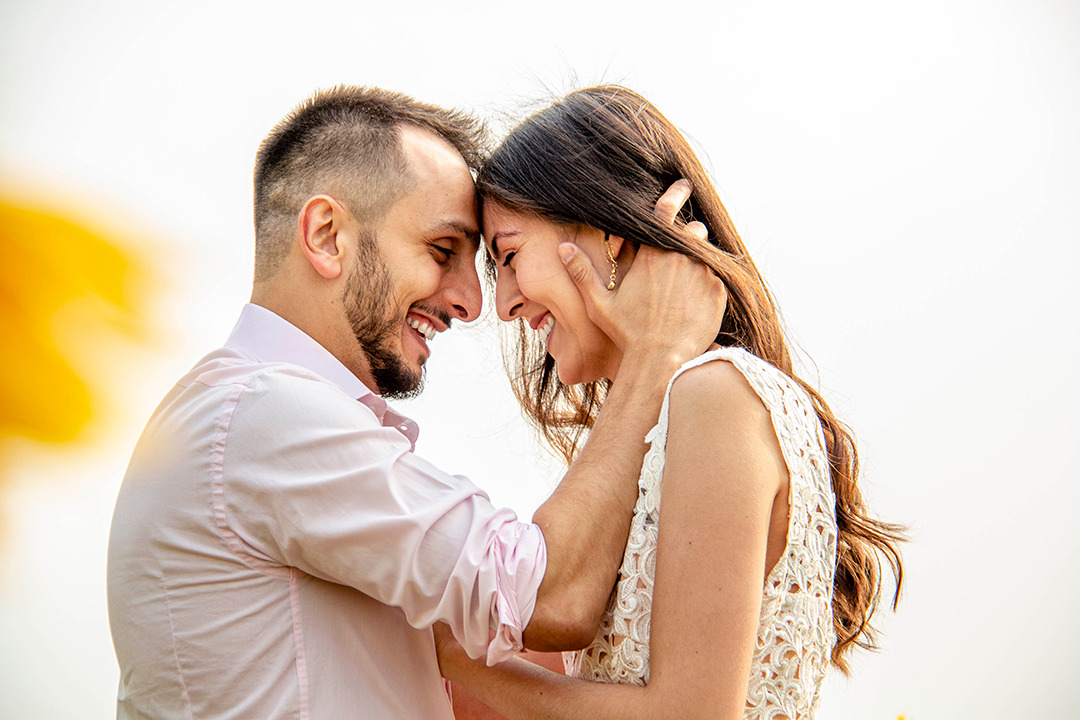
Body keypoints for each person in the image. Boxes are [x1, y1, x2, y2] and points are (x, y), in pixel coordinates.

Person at [105, 86, 728, 719]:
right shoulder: (262, 412)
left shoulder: (241, 417)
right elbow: (549, 599)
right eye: (441, 251)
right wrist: (656, 351)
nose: (473, 302)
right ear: (326, 236)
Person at [436, 85, 906, 720]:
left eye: (511, 256)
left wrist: (458, 658)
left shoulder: (714, 396)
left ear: (609, 235)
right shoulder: (677, 417)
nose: (506, 302)